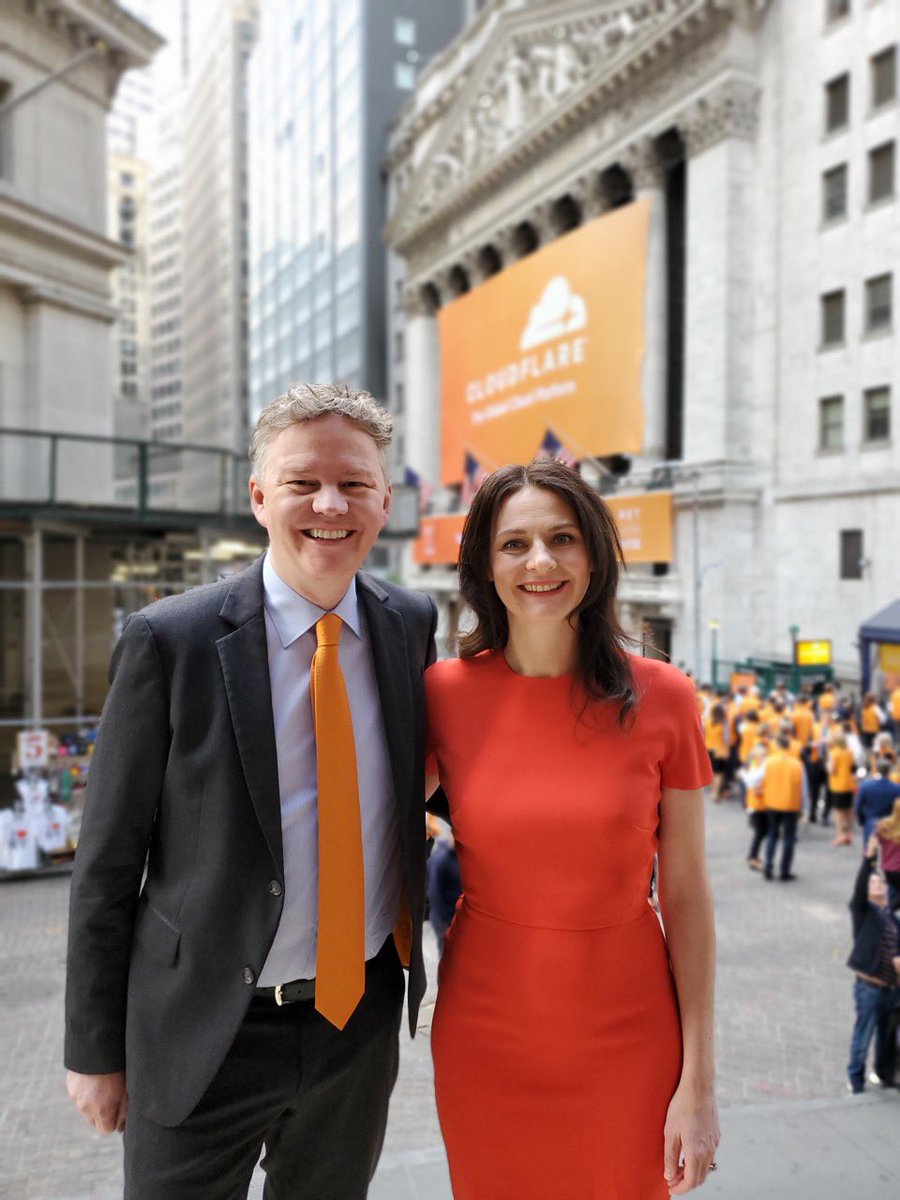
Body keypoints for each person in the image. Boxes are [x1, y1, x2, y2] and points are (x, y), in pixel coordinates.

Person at [64, 384, 439, 1199]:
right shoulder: (171, 641)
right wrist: (93, 1049)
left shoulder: (412, 623)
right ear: (260, 496)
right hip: (203, 1024)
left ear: (384, 498)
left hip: (356, 1021)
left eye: (355, 483)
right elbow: (105, 862)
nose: (331, 505)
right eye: (303, 483)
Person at [424, 460, 719, 1199]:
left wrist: (700, 1083)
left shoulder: (665, 695)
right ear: (484, 567)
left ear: (594, 552)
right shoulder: (442, 695)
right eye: (514, 544)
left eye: (562, 538)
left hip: (628, 1031)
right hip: (486, 1032)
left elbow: (685, 892)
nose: (542, 562)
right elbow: (351, 823)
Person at [845, 836, 900, 1093]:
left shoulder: (890, 916)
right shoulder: (864, 911)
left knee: (886, 1036)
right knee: (863, 1034)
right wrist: (869, 858)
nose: (878, 883)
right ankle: (855, 1081)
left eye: (880, 880)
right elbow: (858, 888)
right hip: (869, 987)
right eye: (873, 881)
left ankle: (883, 1073)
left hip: (890, 988)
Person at [759, 733, 806, 881]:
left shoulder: (769, 762)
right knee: (788, 838)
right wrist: (803, 807)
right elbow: (804, 789)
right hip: (791, 804)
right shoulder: (797, 764)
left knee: (772, 835)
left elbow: (758, 778)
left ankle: (768, 865)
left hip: (772, 802)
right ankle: (785, 870)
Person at [855, 759, 900, 848]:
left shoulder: (866, 785)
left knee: (869, 851)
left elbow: (858, 806)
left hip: (871, 821)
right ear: (889, 770)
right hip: (889, 823)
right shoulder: (896, 788)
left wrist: (862, 820)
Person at [826, 730, 857, 847]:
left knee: (839, 812)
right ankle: (849, 833)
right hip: (849, 784)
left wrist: (827, 764)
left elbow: (831, 770)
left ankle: (840, 835)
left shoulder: (834, 753)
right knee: (849, 809)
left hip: (838, 785)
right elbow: (853, 767)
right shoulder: (849, 751)